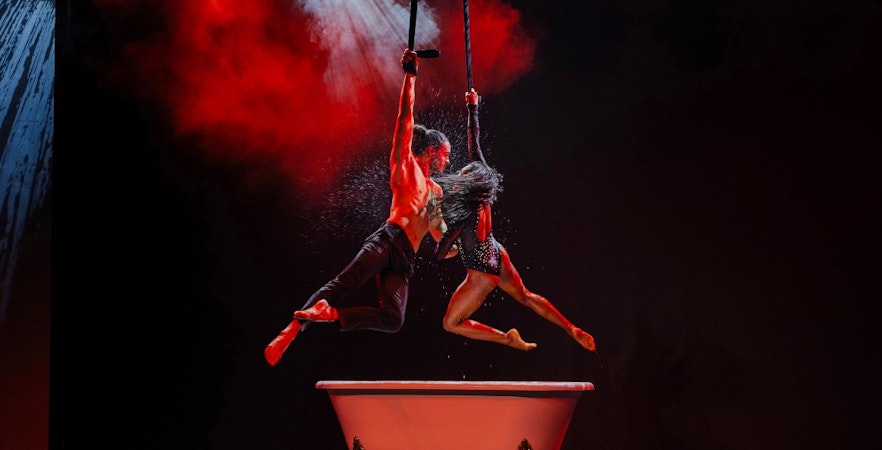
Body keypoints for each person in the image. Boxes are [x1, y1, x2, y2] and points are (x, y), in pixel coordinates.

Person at [264, 49, 451, 366]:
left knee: (393, 320)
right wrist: (410, 76)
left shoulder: (436, 193)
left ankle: (331, 314)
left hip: (404, 260)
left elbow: (441, 240)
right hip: (388, 241)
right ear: (432, 150)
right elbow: (405, 117)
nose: (447, 161)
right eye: (445, 154)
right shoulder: (404, 166)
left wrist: (466, 239)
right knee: (343, 283)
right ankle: (291, 331)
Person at [433, 88, 596, 352]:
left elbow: (440, 253)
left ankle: (506, 338)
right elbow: (474, 142)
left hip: (482, 275)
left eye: (462, 176)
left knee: (451, 323)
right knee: (527, 296)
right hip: (497, 255)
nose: (460, 175)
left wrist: (438, 225)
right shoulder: (481, 183)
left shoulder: (462, 215)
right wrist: (472, 108)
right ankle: (571, 328)